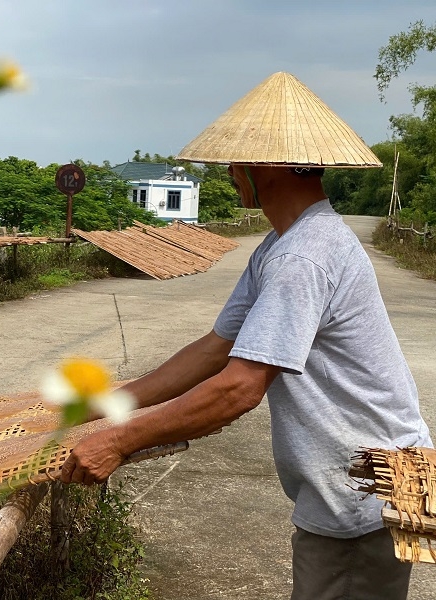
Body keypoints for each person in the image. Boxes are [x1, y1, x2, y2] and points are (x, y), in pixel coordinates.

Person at [59, 72, 432, 600]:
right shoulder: (281, 246)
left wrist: (119, 441)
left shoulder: (303, 257)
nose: (231, 174)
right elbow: (215, 349)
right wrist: (111, 405)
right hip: (362, 484)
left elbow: (239, 386)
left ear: (269, 168)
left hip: (369, 495)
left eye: (237, 162)